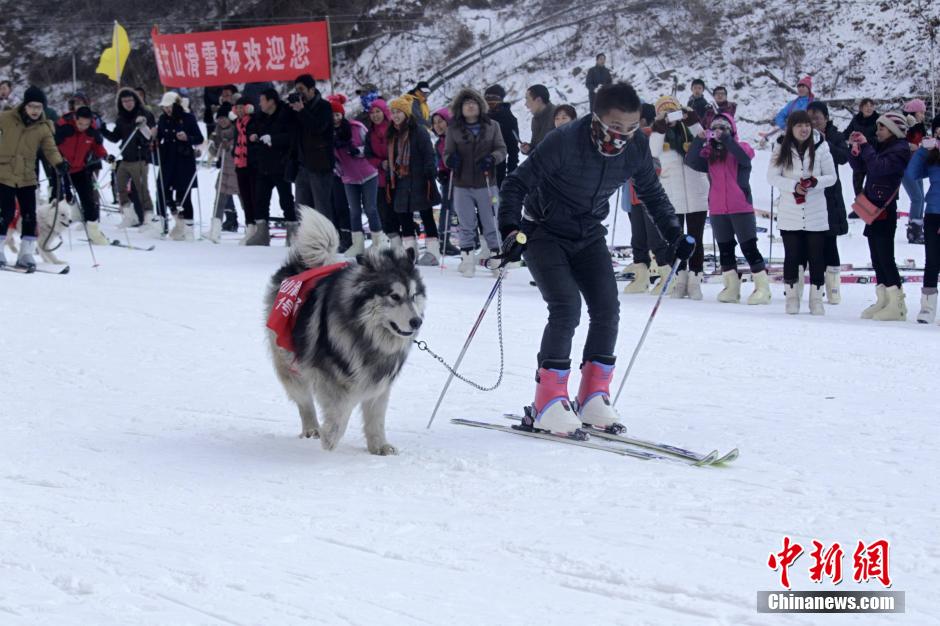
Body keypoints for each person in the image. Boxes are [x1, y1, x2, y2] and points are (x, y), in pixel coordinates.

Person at [495, 82, 691, 436]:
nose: (623, 136)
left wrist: (675, 236)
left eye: (631, 128)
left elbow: (653, 195)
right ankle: (549, 401)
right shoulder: (564, 141)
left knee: (606, 306)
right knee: (566, 306)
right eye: (616, 128)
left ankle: (592, 397)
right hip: (543, 231)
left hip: (588, 234)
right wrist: (510, 229)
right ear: (597, 118)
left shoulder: (635, 149)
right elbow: (515, 184)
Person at [686, 112, 770, 305]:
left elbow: (744, 159)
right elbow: (691, 161)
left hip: (740, 206)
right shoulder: (710, 154)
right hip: (717, 209)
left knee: (749, 247)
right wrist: (699, 141)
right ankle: (731, 287)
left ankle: (763, 288)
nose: (718, 132)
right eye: (714, 129)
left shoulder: (742, 148)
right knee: (725, 249)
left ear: (731, 130)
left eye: (723, 128)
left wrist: (727, 140)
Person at [767, 110, 838, 315]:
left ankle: (816, 299)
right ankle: (792, 297)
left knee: (817, 257)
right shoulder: (781, 146)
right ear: (791, 128)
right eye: (799, 125)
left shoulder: (822, 146)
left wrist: (815, 182)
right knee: (792, 256)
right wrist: (793, 186)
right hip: (790, 211)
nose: (804, 129)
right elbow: (772, 177)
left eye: (807, 125)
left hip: (816, 212)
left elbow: (831, 177)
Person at [849, 111, 912, 321]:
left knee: (886, 257)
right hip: (872, 207)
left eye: (882, 127)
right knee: (876, 257)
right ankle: (883, 299)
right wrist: (856, 150)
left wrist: (866, 146)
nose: (878, 131)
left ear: (893, 129)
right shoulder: (883, 146)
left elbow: (878, 168)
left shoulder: (901, 149)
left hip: (885, 210)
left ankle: (897, 303)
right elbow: (861, 166)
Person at [0, 86, 67, 269]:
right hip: (4, 173)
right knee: (5, 213)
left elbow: (50, 149)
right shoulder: (6, 118)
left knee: (30, 215)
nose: (35, 111)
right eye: (32, 106)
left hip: (27, 176)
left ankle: (26, 253)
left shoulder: (44, 127)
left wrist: (59, 163)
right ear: (25, 105)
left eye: (39, 107)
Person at [649, 95, 709, 298]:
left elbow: (704, 138)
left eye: (672, 109)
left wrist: (690, 118)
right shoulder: (659, 133)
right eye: (665, 111)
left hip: (696, 191)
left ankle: (695, 279)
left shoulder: (689, 129)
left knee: (695, 239)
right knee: (676, 239)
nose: (670, 115)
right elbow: (653, 151)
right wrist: (660, 125)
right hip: (672, 194)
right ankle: (680, 277)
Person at [444, 88, 508, 277]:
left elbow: (501, 149)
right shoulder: (453, 129)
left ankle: (497, 260)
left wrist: (492, 158)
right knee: (466, 223)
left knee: (490, 222)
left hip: (486, 182)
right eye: (466, 103)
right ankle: (468, 260)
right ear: (460, 108)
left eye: (474, 103)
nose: (470, 106)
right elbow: (446, 153)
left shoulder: (493, 126)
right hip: (462, 183)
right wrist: (450, 160)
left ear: (480, 106)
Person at [329, 94, 385, 256]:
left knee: (370, 208)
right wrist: (339, 172)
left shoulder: (356, 127)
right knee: (354, 211)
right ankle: (357, 244)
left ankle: (378, 241)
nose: (335, 119)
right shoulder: (329, 135)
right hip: (348, 178)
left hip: (368, 173)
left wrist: (357, 151)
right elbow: (333, 159)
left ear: (342, 114)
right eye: (332, 116)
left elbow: (370, 148)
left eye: (337, 115)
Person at [807, 101, 850, 304]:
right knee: (812, 241)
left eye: (817, 118)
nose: (813, 122)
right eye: (810, 119)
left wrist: (825, 143)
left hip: (830, 194)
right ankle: (816, 285)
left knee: (830, 240)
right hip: (809, 194)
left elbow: (843, 157)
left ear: (826, 118)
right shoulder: (804, 135)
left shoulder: (835, 135)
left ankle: (834, 287)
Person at [386, 96, 439, 262]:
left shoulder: (419, 131)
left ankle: (433, 252)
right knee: (404, 217)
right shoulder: (392, 133)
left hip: (419, 179)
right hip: (401, 180)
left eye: (399, 112)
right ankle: (410, 252)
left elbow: (428, 154)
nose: (395, 115)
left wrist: (430, 173)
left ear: (406, 113)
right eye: (393, 112)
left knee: (426, 215)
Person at [100, 88, 156, 230]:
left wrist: (143, 126)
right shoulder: (121, 118)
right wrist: (102, 129)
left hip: (140, 158)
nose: (128, 103)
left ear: (135, 100)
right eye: (124, 101)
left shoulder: (144, 114)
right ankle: (129, 216)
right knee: (120, 187)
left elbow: (151, 136)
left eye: (130, 100)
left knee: (142, 189)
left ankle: (148, 218)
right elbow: (115, 137)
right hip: (125, 158)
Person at [245, 89, 295, 246]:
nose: (260, 103)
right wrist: (252, 135)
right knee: (260, 199)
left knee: (286, 199)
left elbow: (291, 136)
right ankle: (262, 233)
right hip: (263, 164)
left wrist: (274, 139)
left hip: (281, 165)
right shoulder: (260, 116)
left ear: (271, 101)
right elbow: (251, 128)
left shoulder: (286, 114)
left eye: (262, 100)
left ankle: (292, 232)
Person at [54, 106, 109, 245]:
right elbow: (50, 146)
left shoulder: (91, 132)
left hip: (79, 169)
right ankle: (50, 234)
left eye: (86, 124)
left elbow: (98, 147)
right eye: (80, 124)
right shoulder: (63, 129)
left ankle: (94, 232)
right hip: (61, 168)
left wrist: (107, 157)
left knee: (88, 200)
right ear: (75, 119)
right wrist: (59, 161)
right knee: (59, 200)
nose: (83, 127)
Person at [290, 75, 335, 231]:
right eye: (297, 90)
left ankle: (326, 242)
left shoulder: (324, 107)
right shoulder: (298, 108)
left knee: (322, 208)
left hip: (320, 165)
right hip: (302, 166)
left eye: (302, 89)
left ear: (312, 89)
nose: (299, 93)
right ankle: (307, 242)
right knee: (302, 209)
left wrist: (302, 111)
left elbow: (318, 128)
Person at [156, 91, 204, 241]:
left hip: (184, 161)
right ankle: (177, 222)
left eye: (169, 106)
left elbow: (199, 138)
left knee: (184, 195)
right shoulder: (163, 119)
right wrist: (154, 137)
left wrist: (187, 138)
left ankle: (188, 228)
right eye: (164, 107)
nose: (167, 110)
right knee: (163, 192)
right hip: (167, 160)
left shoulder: (188, 118)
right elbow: (159, 137)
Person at [906, 116, 940, 323]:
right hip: (934, 213)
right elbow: (912, 174)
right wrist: (921, 150)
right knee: (933, 260)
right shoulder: (932, 154)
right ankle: (927, 307)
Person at [206, 103, 243, 243]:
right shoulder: (217, 132)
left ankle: (254, 227)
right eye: (220, 118)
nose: (222, 121)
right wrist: (212, 145)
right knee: (219, 201)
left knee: (244, 200)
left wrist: (230, 146)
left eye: (225, 118)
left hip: (237, 171)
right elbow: (216, 153)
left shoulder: (237, 130)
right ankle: (215, 230)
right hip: (224, 171)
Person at [431, 106, 459, 256]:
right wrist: (441, 171)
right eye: (435, 123)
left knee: (464, 208)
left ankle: (474, 238)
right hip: (449, 178)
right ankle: (444, 239)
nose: (438, 125)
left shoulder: (457, 138)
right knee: (447, 207)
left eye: (440, 121)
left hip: (463, 178)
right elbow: (440, 161)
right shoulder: (439, 143)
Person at [230, 96, 258, 244]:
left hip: (252, 164)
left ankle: (257, 227)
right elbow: (236, 141)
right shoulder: (237, 123)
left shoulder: (254, 121)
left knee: (254, 196)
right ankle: (249, 226)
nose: (240, 110)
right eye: (237, 108)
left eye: (242, 107)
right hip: (240, 164)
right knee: (245, 196)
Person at [902, 98, 928, 243]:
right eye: (921, 112)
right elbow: (902, 141)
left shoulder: (920, 127)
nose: (923, 115)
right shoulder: (907, 125)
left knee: (920, 198)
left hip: (917, 166)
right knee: (917, 198)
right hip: (907, 166)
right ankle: (913, 231)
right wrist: (911, 146)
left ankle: (917, 227)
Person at [842, 98, 880, 198]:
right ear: (861, 108)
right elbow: (847, 133)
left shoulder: (878, 119)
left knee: (872, 186)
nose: (869, 108)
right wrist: (847, 138)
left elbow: (880, 137)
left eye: (871, 106)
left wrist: (865, 140)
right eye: (866, 106)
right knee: (857, 186)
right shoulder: (856, 119)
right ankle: (860, 207)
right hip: (857, 157)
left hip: (872, 156)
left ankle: (871, 208)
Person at [483, 85, 519, 187]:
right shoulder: (479, 117)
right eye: (487, 99)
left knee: (495, 200)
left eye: (494, 99)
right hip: (477, 170)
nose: (490, 103)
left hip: (498, 169)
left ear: (501, 100)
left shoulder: (509, 119)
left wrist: (512, 174)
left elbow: (513, 149)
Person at [520, 84, 555, 155]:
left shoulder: (559, 116)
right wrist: (529, 149)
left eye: (527, 99)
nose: (526, 104)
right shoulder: (535, 119)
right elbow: (537, 147)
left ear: (538, 100)